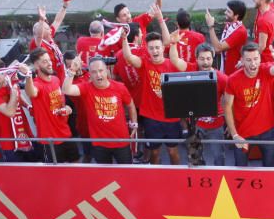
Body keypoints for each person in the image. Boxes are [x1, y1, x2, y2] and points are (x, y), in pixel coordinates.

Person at [121, 28, 188, 165]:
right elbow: (128, 57)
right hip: (151, 117)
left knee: (173, 152)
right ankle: (156, 178)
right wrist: (123, 39)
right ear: (147, 49)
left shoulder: (172, 64)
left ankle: (177, 178)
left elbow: (184, 88)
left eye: (157, 47)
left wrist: (168, 93)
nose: (155, 51)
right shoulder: (145, 63)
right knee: (154, 152)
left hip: (171, 117)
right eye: (151, 48)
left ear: (163, 47)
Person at [61, 55, 137, 164]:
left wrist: (134, 123)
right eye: (94, 72)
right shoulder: (86, 88)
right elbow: (66, 90)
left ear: (106, 71)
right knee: (104, 177)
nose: (98, 75)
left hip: (121, 141)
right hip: (99, 144)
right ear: (90, 75)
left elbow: (130, 105)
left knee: (126, 173)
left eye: (101, 70)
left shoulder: (120, 87)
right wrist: (72, 70)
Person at [223, 43, 274, 167]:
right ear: (241, 60)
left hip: (267, 130)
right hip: (243, 132)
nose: (253, 64)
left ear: (260, 58)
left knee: (270, 168)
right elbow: (227, 107)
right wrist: (234, 134)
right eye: (248, 60)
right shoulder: (233, 79)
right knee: (240, 169)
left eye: (256, 59)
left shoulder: (265, 70)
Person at [25, 47, 78, 163]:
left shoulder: (55, 79)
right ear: (36, 66)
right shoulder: (36, 84)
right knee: (55, 174)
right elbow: (31, 92)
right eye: (44, 61)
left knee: (76, 165)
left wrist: (67, 108)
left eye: (49, 60)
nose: (49, 64)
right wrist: (28, 75)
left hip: (65, 133)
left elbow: (62, 102)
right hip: (49, 140)